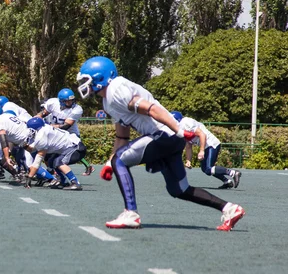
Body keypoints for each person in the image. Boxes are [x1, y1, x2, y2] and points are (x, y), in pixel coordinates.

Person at [76, 56, 245, 231]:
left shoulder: (116, 89)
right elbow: (122, 136)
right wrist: (109, 162)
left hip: (164, 134)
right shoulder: (108, 101)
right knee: (179, 190)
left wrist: (179, 130)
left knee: (120, 159)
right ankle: (229, 208)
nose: (84, 84)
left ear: (101, 77)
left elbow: (152, 109)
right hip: (169, 138)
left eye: (86, 79)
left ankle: (131, 213)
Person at [170, 111, 242, 189]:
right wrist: (188, 160)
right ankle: (227, 182)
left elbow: (202, 134)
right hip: (207, 146)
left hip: (211, 144)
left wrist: (201, 151)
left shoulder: (185, 123)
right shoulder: (181, 127)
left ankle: (233, 173)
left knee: (208, 168)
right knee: (205, 169)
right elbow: (188, 145)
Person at [0, 106, 56, 185]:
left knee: (29, 164)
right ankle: (42, 177)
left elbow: (3, 141)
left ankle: (52, 179)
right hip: (31, 136)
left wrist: (7, 157)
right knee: (34, 160)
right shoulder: (8, 115)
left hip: (29, 140)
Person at [35, 88, 95, 176]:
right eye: (68, 101)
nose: (71, 103)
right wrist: (37, 118)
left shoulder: (77, 109)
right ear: (61, 101)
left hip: (70, 134)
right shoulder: (53, 103)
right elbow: (43, 113)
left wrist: (50, 127)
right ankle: (54, 174)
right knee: (48, 156)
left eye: (72, 100)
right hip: (56, 133)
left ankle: (60, 174)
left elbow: (66, 126)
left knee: (68, 154)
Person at [22, 117, 85, 190]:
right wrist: (25, 146)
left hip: (76, 148)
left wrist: (30, 177)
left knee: (59, 162)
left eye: (30, 129)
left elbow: (38, 160)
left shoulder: (41, 135)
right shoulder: (44, 129)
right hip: (71, 147)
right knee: (51, 161)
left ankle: (75, 183)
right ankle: (63, 181)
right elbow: (32, 149)